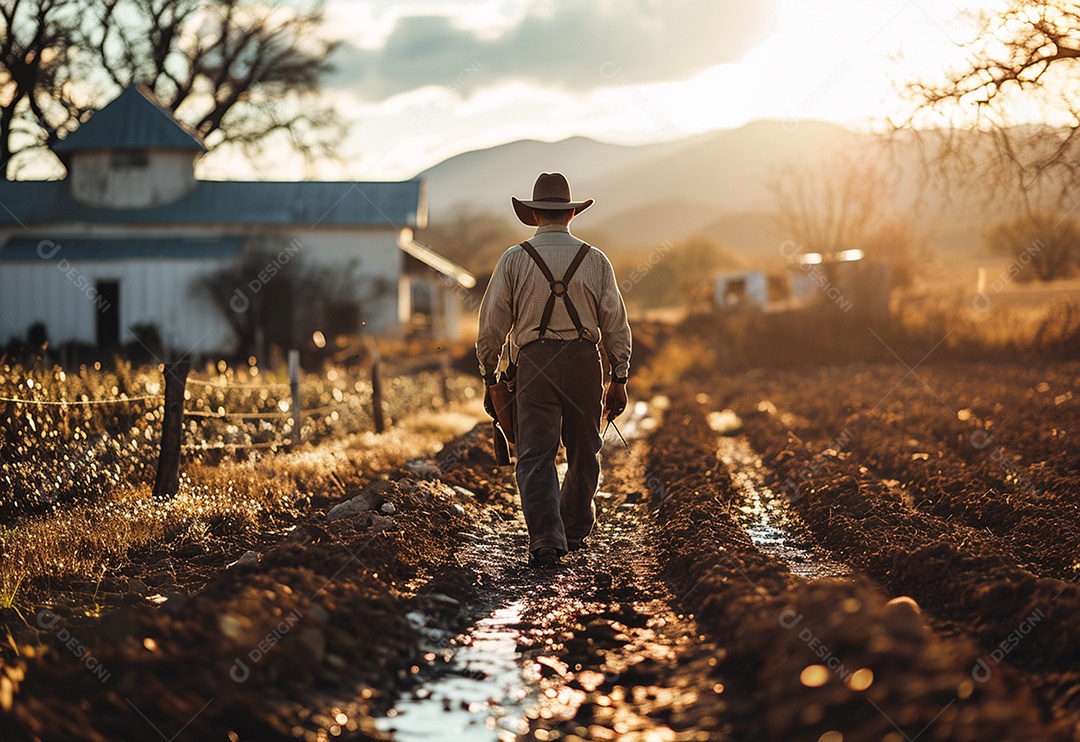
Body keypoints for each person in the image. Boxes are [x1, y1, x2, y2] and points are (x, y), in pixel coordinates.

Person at [476, 172, 632, 568]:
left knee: (534, 456)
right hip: (584, 362)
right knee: (585, 450)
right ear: (572, 214)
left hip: (534, 365)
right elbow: (615, 323)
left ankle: (547, 539)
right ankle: (575, 528)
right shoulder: (596, 260)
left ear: (532, 215)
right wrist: (619, 375)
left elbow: (491, 325)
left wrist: (490, 376)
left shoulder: (513, 259)